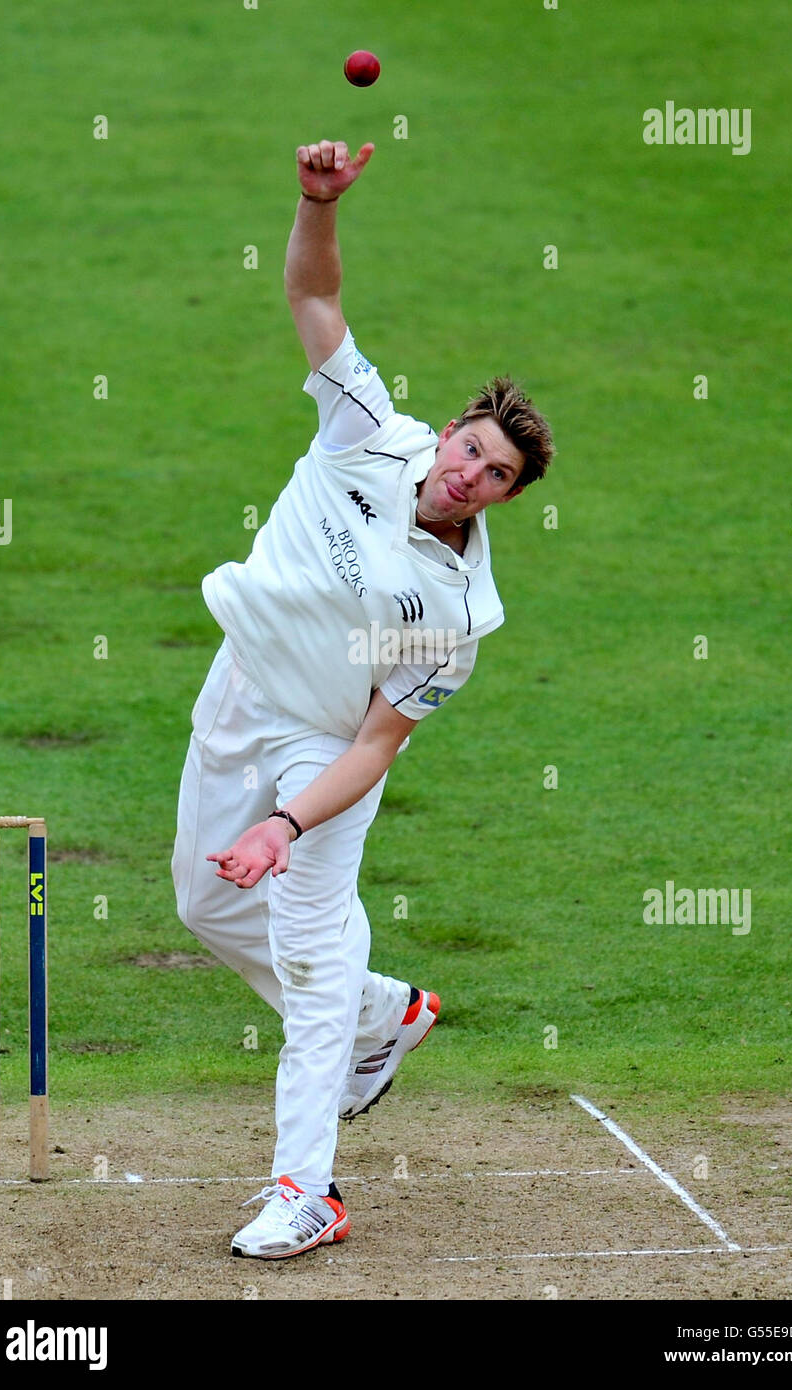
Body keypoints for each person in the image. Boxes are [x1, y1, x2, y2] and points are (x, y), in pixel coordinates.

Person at [170, 137, 554, 1260]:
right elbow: (310, 287)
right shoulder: (365, 429)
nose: (464, 476)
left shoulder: (457, 614)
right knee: (202, 904)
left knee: (306, 954)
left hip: (320, 753)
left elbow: (379, 742)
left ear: (506, 499)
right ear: (445, 431)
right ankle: (383, 1014)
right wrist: (315, 201)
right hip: (240, 680)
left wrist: (290, 823)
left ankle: (309, 1191)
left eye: (493, 477)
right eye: (468, 450)